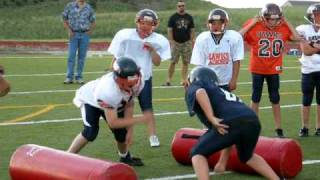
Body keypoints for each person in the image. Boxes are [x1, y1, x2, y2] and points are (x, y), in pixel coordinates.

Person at [185, 66, 280, 180]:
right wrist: (222, 162)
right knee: (247, 156)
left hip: (232, 121)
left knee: (197, 153)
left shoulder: (198, 85)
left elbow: (200, 92)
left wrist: (211, 117)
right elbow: (230, 136)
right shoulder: (221, 92)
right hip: (252, 120)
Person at [107, 9, 171, 147]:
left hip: (144, 78)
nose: (145, 26)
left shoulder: (158, 40)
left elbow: (157, 62)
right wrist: (113, 67)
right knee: (125, 108)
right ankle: (126, 135)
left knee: (147, 107)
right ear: (137, 22)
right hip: (125, 78)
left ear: (154, 25)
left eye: (149, 24)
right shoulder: (125, 35)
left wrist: (152, 50)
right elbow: (117, 55)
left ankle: (153, 135)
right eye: (143, 22)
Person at [67, 57, 147, 166]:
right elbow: (113, 123)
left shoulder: (139, 80)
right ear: (118, 80)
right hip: (90, 100)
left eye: (133, 84)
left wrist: (130, 130)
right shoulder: (107, 90)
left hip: (115, 102)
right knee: (90, 132)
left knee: (121, 133)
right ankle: (67, 156)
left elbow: (129, 103)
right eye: (128, 85)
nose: (131, 88)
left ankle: (125, 157)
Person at [239, 3, 299, 137]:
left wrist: (287, 22)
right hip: (258, 68)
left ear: (280, 18)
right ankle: (253, 127)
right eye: (270, 19)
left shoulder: (283, 27)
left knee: (275, 98)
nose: (273, 22)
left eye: (276, 19)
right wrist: (253, 23)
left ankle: (279, 128)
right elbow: (238, 36)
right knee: (256, 97)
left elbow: (298, 37)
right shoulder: (255, 25)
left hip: (274, 69)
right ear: (263, 17)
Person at [191, 8, 244, 92]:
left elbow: (236, 60)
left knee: (225, 104)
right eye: (214, 23)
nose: (216, 26)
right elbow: (199, 63)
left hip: (226, 82)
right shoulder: (203, 39)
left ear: (225, 23)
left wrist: (234, 80)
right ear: (209, 24)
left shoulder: (233, 37)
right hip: (208, 81)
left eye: (219, 23)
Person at [296, 3, 320, 137]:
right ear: (310, 16)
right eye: (316, 15)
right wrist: (317, 47)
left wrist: (312, 45)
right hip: (308, 70)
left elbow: (310, 49)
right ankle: (305, 127)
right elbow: (306, 51)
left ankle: (319, 127)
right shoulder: (303, 29)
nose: (319, 18)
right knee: (306, 99)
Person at [62, 0, 96, 84]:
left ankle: (79, 77)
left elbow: (93, 20)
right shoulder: (70, 6)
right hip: (74, 34)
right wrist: (69, 30)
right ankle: (69, 77)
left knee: (81, 57)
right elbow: (64, 18)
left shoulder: (88, 7)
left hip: (85, 35)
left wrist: (90, 31)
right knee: (71, 56)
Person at [163, 0, 195, 86]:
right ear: (177, 7)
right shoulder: (173, 17)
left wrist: (192, 41)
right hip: (176, 43)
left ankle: (184, 80)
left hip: (186, 42)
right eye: (180, 6)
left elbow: (192, 30)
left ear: (185, 6)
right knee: (173, 62)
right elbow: (170, 30)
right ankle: (168, 80)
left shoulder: (189, 17)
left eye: (183, 5)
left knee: (185, 62)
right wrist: (171, 41)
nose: (181, 7)